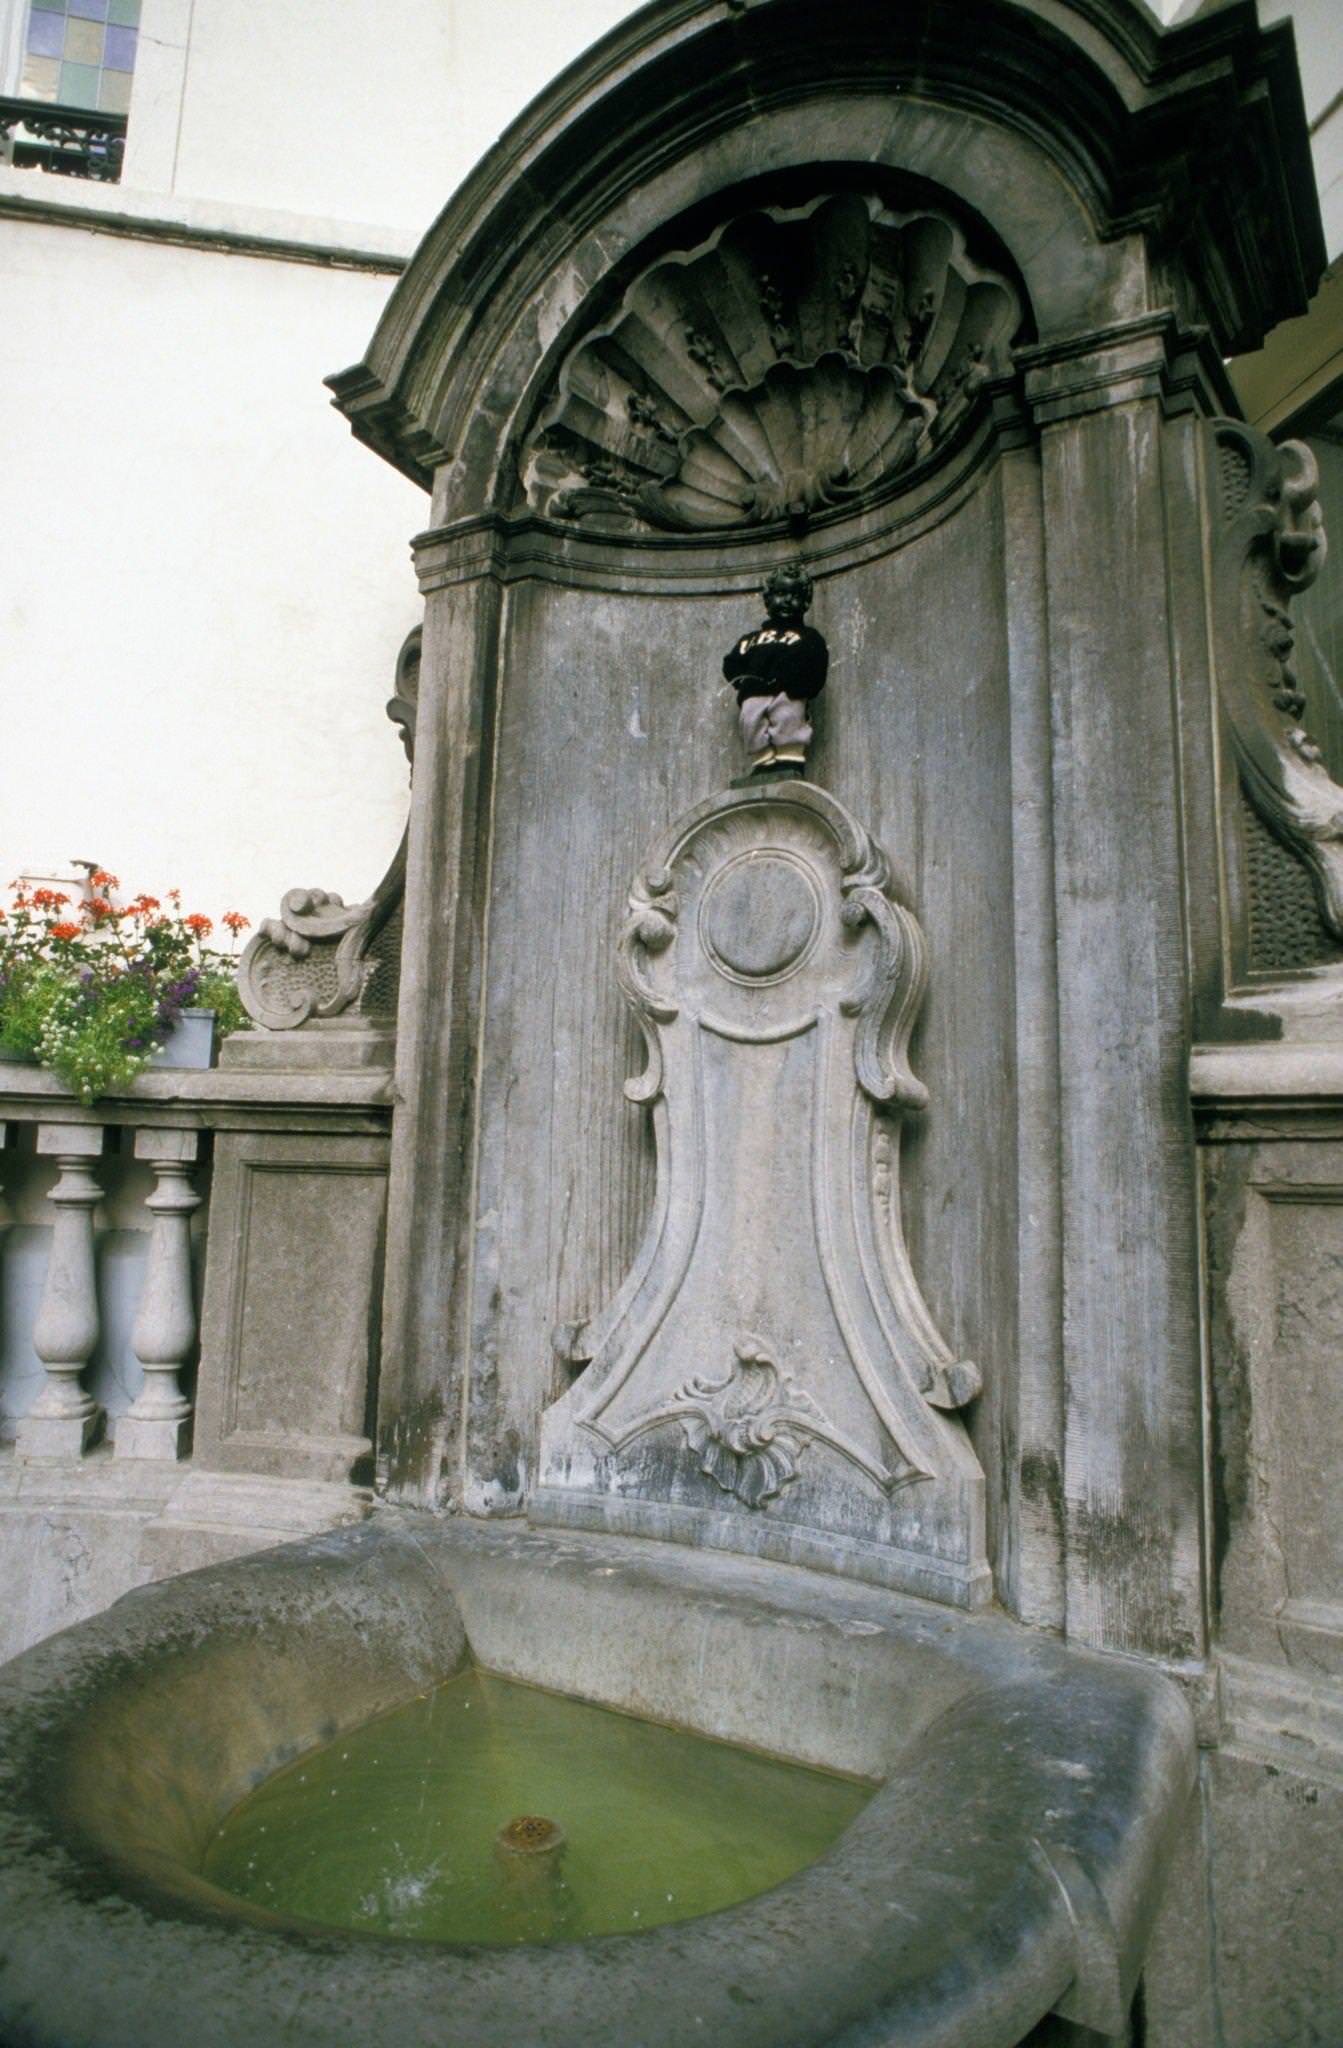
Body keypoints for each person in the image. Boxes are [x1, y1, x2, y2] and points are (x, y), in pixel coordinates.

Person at [722, 564, 828, 777]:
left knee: (788, 719)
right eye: (780, 593)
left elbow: (817, 664)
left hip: (789, 691)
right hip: (754, 692)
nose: (788, 600)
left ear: (806, 602)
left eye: (795, 595)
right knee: (751, 723)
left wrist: (803, 688)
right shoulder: (751, 639)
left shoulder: (808, 637)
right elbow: (731, 663)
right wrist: (743, 683)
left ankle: (790, 760)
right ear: (768, 599)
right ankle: (762, 762)